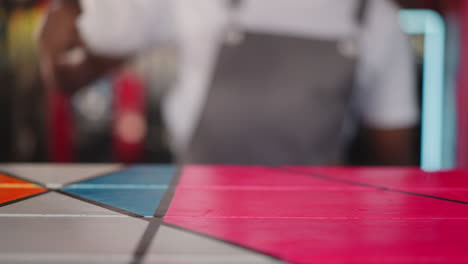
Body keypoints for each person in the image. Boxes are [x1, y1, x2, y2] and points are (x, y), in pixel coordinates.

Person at [38, 0, 418, 166]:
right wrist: (58, 35)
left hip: (316, 223)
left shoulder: (378, 20)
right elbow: (74, 74)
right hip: (195, 213)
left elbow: (393, 161)